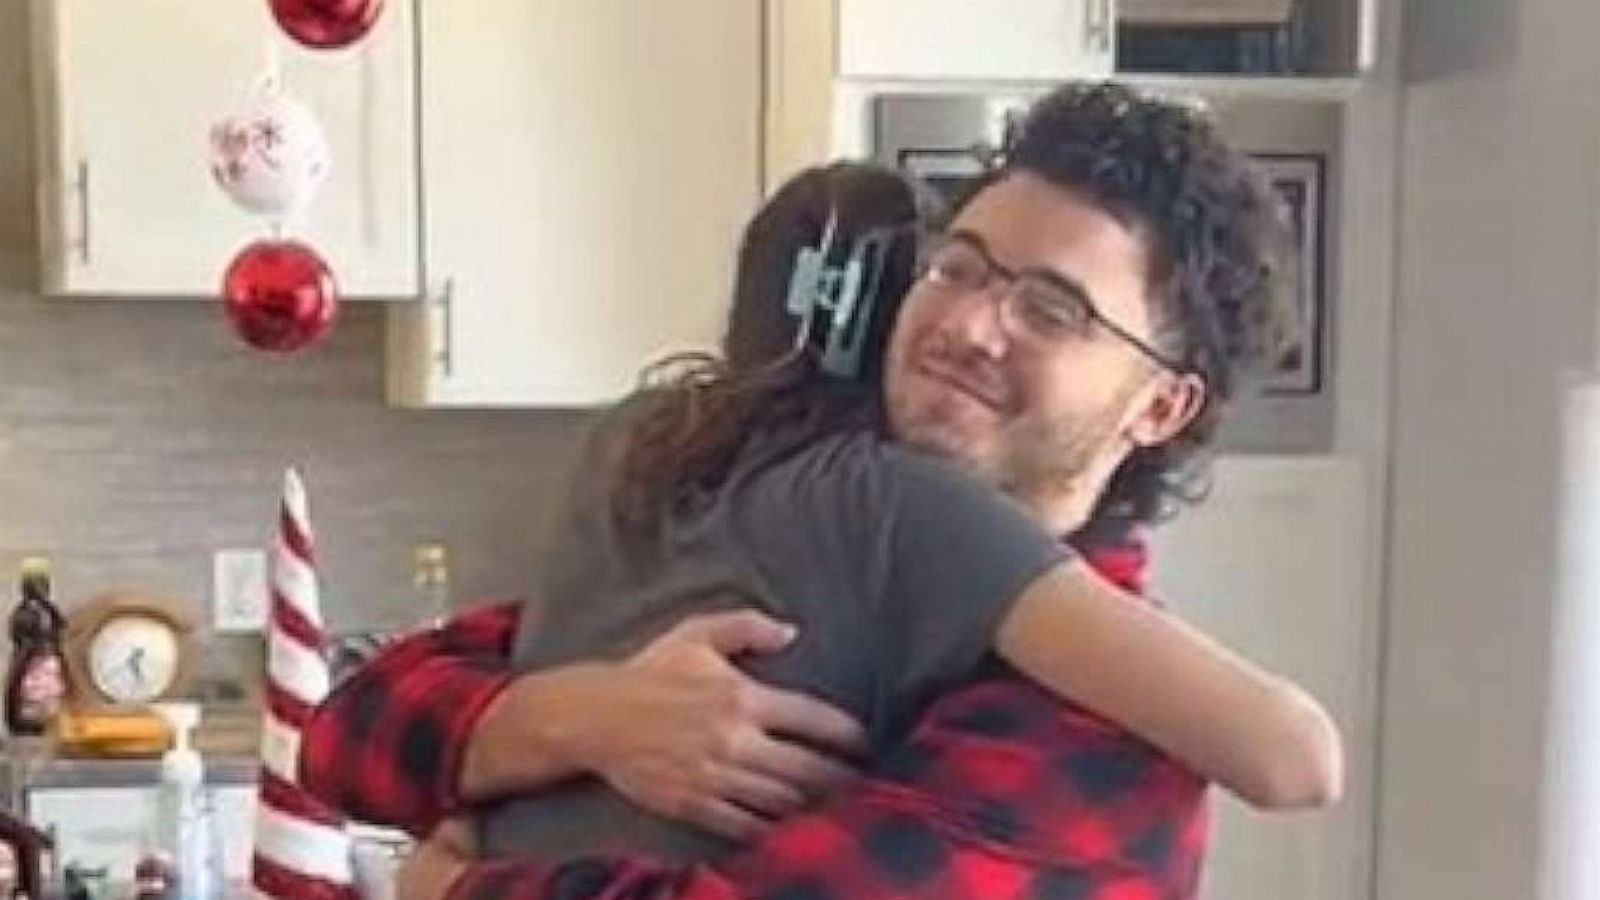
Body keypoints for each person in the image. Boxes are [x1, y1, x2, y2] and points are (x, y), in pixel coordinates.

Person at [303, 82, 1338, 899]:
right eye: (961, 268)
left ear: (1160, 408)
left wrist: (449, 888)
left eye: (1053, 310)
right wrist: (586, 718)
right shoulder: (805, 534)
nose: (970, 326)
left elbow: (1293, 757)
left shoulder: (1105, 742)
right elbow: (355, 730)